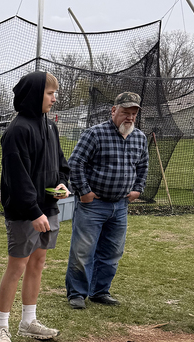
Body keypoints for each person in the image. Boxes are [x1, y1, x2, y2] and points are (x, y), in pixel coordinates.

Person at [0, 71, 70, 342]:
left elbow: (60, 163)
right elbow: (18, 177)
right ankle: (1, 326)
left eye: (54, 93)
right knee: (18, 266)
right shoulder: (17, 130)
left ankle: (29, 321)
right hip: (26, 213)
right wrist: (35, 212)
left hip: (48, 208)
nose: (54, 98)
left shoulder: (50, 127)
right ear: (36, 94)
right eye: (50, 93)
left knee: (38, 264)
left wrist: (63, 183)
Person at [64, 92, 149, 309]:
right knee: (83, 251)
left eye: (133, 114)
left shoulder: (139, 137)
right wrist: (84, 192)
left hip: (120, 206)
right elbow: (75, 163)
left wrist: (138, 189)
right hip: (93, 204)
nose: (129, 117)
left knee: (112, 252)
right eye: (125, 112)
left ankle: (100, 291)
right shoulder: (94, 134)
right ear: (113, 111)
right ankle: (77, 294)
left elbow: (143, 166)